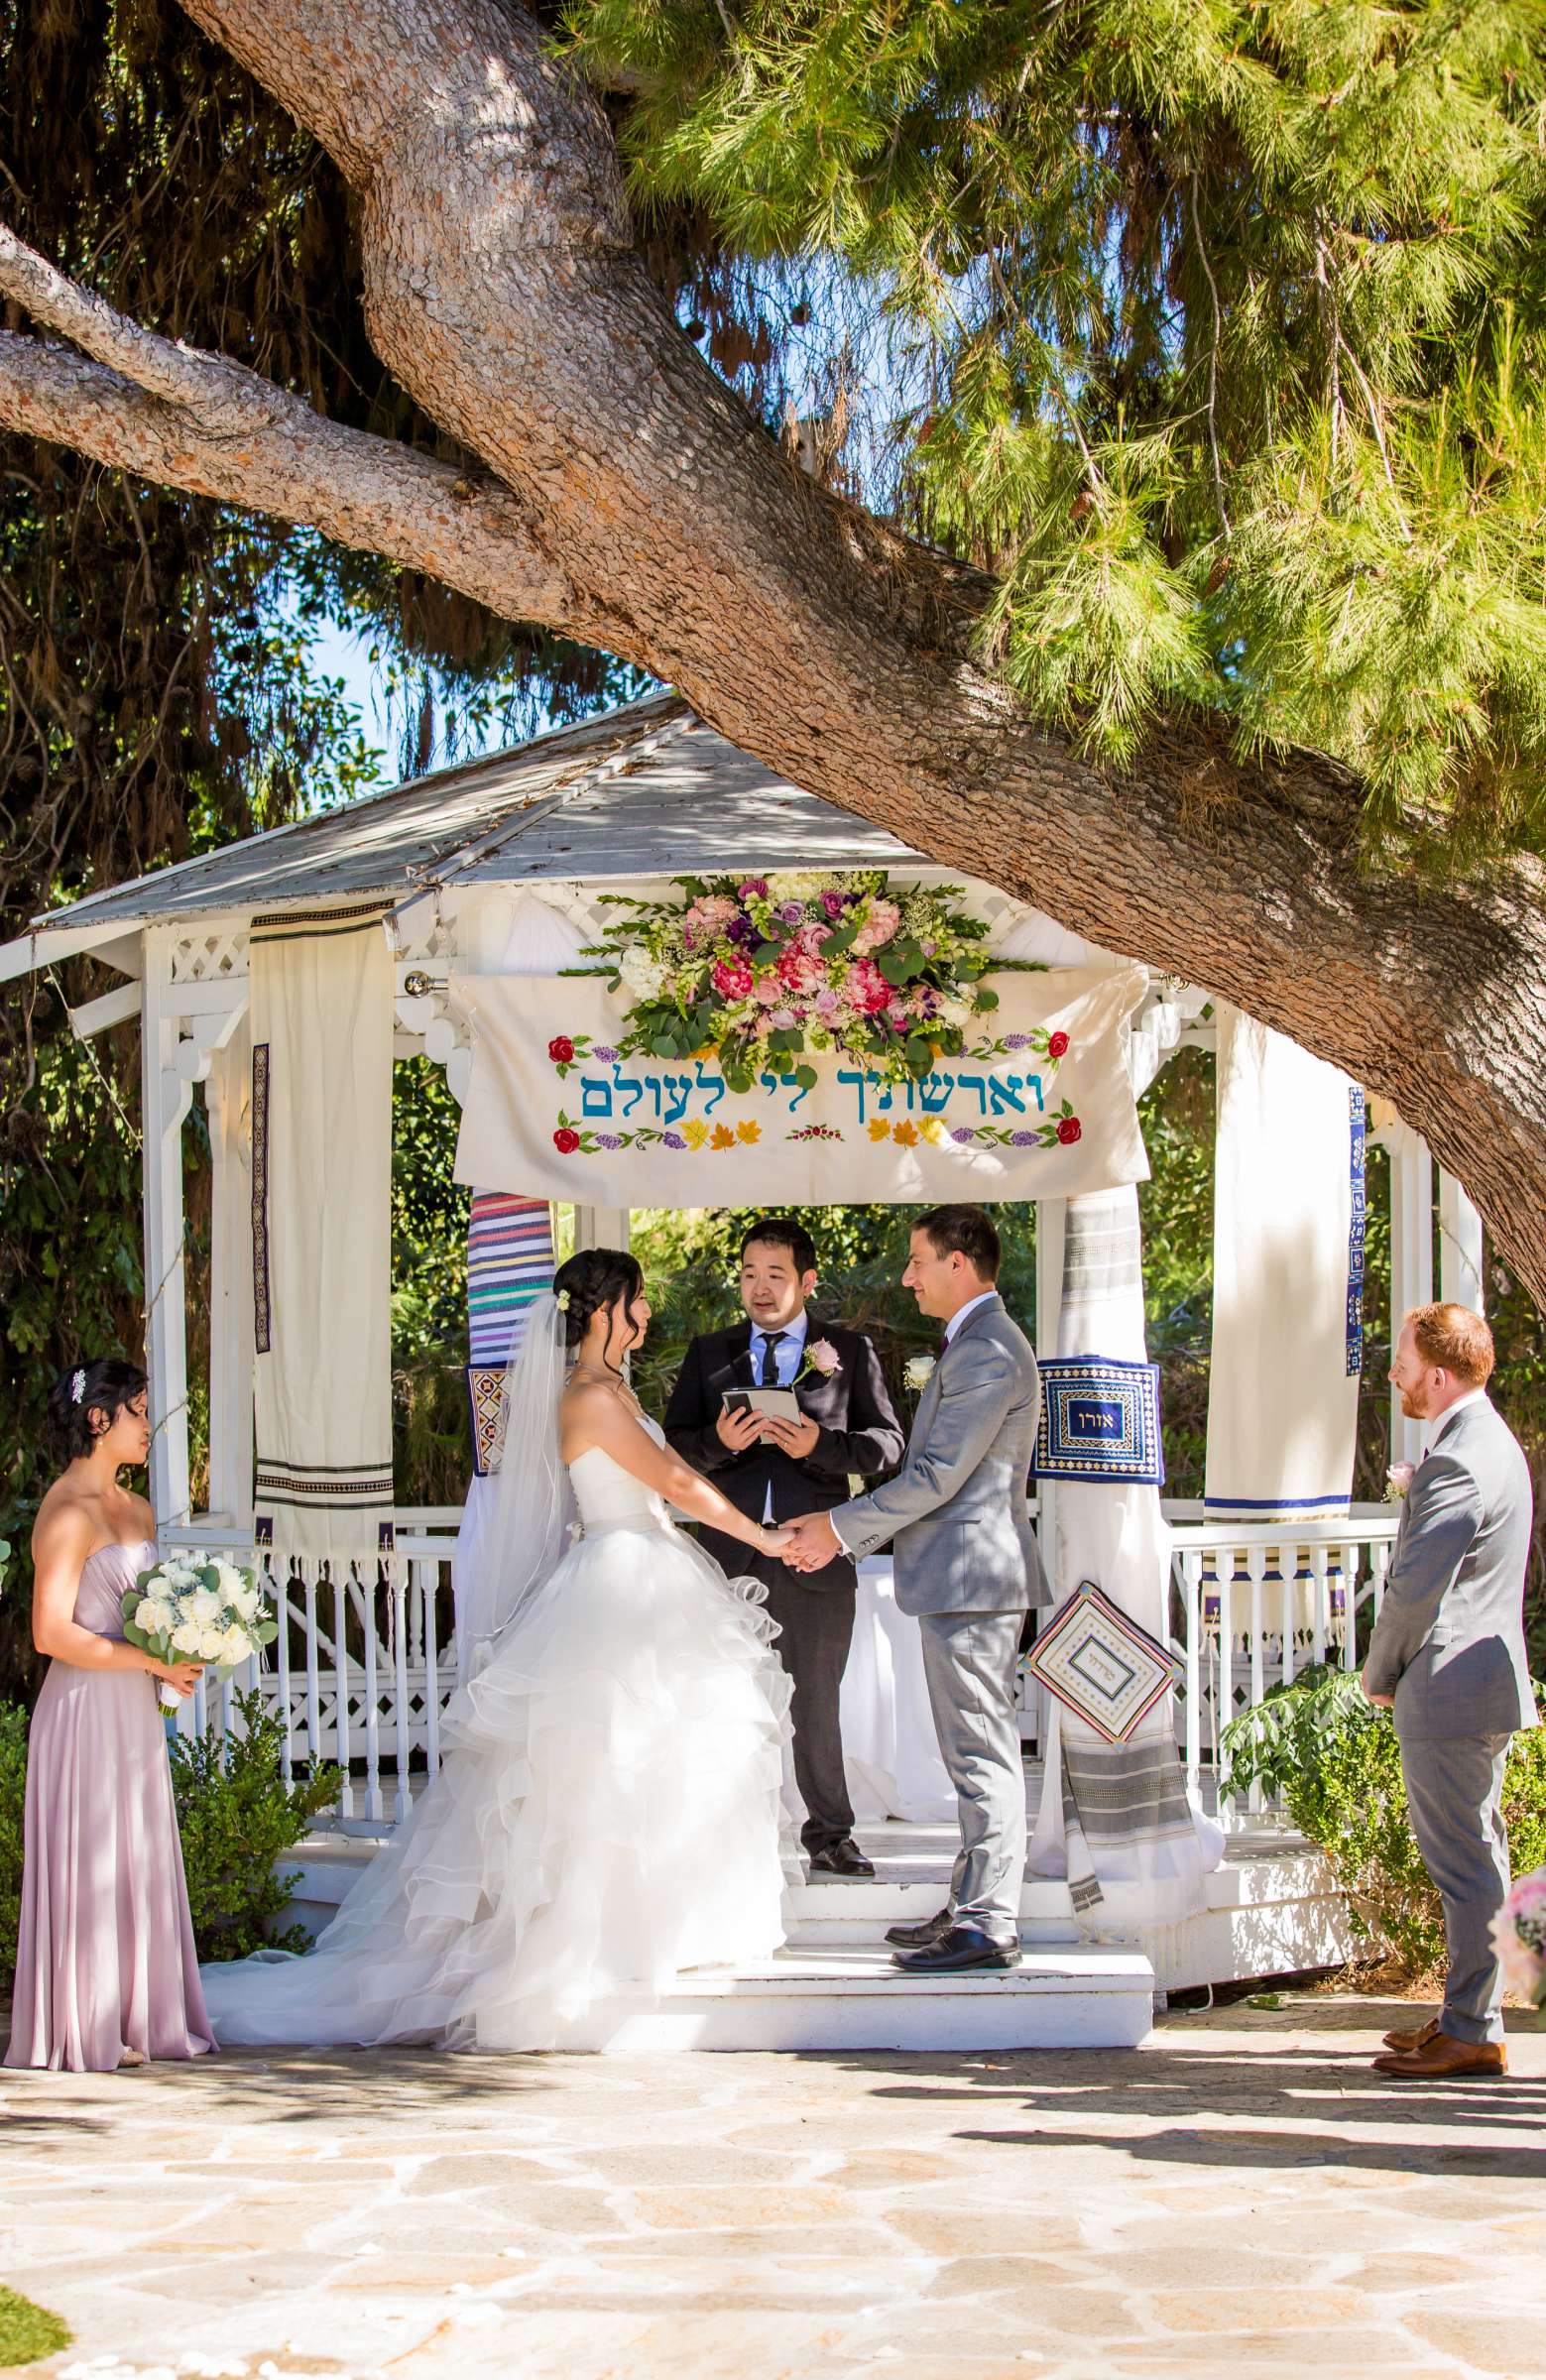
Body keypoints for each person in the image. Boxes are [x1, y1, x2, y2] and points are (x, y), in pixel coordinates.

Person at [198, 1250, 795, 2052]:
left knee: (663, 1753)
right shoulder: (588, 1396)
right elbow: (676, 1485)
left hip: (644, 1567)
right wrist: (761, 1535)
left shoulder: (611, 1389)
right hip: (622, 1575)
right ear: (606, 1311)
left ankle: (672, 1922)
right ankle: (600, 1937)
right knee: (606, 1762)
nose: (648, 1314)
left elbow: (674, 1474)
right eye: (639, 1301)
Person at [783, 1205, 1049, 1972]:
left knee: (981, 1756)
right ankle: (974, 1900)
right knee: (971, 1751)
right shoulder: (974, 1344)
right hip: (961, 1579)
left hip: (972, 1579)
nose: (907, 1276)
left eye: (917, 1260)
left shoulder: (986, 1352)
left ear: (958, 1263)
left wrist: (836, 1528)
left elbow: (936, 1477)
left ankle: (988, 1924)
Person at [662, 1218, 904, 1877]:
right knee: (717, 1698)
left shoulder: (848, 1352)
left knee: (814, 1704)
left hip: (815, 1554)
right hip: (724, 1557)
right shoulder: (709, 1352)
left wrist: (818, 1447)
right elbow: (672, 1450)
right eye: (748, 1275)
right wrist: (721, 1444)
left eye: (774, 1275)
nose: (759, 1289)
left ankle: (830, 1837)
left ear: (806, 1280)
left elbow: (889, 1447)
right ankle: (715, 1837)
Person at [5, 1361, 214, 2074]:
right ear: (99, 1419)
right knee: (94, 1850)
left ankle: (138, 2012)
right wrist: (148, 1663)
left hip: (132, 1709)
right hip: (83, 1709)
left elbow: (150, 1618)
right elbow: (49, 1634)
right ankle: (83, 2021)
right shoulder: (66, 1513)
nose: (148, 1426)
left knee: (136, 1852)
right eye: (138, 1411)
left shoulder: (139, 1509)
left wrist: (181, 1656)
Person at [1365, 1303, 1535, 2082]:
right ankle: (1472, 2013)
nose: (1392, 1371)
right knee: (1478, 1855)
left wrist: (1380, 1676)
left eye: (1400, 1358)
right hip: (1477, 1681)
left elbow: (1411, 1592)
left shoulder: (1462, 1458)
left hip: (1447, 1684)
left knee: (1464, 1865)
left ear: (1436, 1373)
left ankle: (1470, 2029)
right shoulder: (1480, 1442)